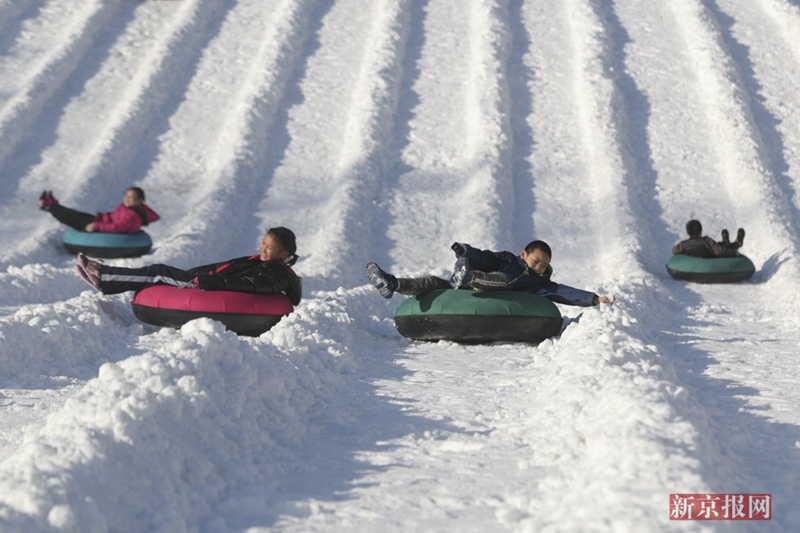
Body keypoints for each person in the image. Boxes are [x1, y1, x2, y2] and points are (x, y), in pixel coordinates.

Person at [75, 227, 302, 305]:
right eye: (263, 243)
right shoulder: (263, 263)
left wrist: (205, 280)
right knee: (158, 271)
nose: (262, 249)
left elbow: (249, 286)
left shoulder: (276, 274)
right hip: (206, 280)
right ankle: (104, 278)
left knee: (158, 273)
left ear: (284, 253)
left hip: (208, 287)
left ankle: (104, 276)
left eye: (269, 247)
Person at [366, 240, 613, 307]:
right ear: (523, 254)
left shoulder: (539, 284)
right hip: (463, 289)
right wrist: (465, 251)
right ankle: (392, 284)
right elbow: (486, 258)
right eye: (536, 261)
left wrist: (592, 298)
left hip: (498, 292)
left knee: (503, 281)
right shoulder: (507, 258)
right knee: (433, 282)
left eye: (543, 264)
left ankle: (469, 277)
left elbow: (564, 293)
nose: (538, 267)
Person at [39, 187, 160, 233]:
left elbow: (116, 227)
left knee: (69, 217)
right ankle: (53, 204)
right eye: (126, 196)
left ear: (139, 201)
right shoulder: (130, 209)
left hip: (100, 226)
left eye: (131, 198)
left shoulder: (132, 215)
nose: (127, 199)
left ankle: (49, 206)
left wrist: (96, 225)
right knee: (74, 214)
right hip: (100, 220)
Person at [671, 220, 744, 258]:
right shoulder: (706, 241)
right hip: (711, 260)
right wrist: (734, 253)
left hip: (696, 261)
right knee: (722, 246)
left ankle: (726, 241)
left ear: (687, 232)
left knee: (720, 244)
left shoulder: (683, 244)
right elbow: (720, 251)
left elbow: (674, 250)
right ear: (700, 231)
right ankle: (737, 243)